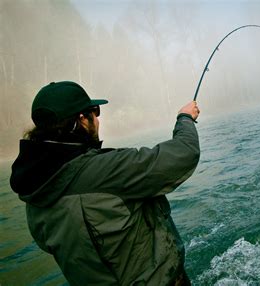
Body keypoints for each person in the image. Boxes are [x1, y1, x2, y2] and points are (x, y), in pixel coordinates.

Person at [10, 81, 200, 285]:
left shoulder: (33, 194)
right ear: (82, 119)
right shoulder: (106, 170)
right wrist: (185, 118)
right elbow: (183, 153)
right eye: (95, 111)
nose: (98, 119)